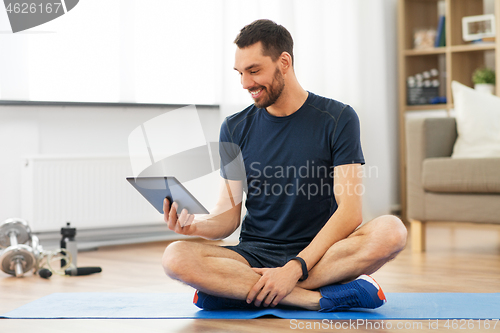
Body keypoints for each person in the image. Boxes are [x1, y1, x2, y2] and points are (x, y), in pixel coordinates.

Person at [162, 19, 407, 312]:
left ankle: (241, 292)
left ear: (284, 62)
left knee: (392, 230)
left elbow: (350, 212)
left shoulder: (338, 118)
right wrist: (194, 227)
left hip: (321, 254)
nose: (245, 83)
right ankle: (312, 299)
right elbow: (227, 219)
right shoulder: (234, 127)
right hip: (254, 253)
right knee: (175, 257)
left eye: (254, 71)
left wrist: (294, 268)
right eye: (240, 73)